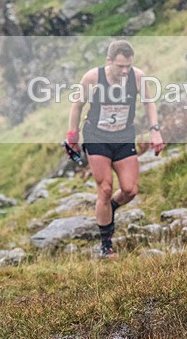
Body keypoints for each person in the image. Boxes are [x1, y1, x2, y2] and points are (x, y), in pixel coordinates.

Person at [66, 39, 165, 258]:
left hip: (123, 136)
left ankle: (108, 208)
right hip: (97, 136)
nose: (124, 70)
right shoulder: (93, 78)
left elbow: (149, 103)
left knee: (130, 189)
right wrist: (72, 136)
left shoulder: (137, 77)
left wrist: (154, 130)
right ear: (108, 61)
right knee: (106, 187)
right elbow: (77, 105)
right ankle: (106, 245)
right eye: (120, 66)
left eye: (128, 66)